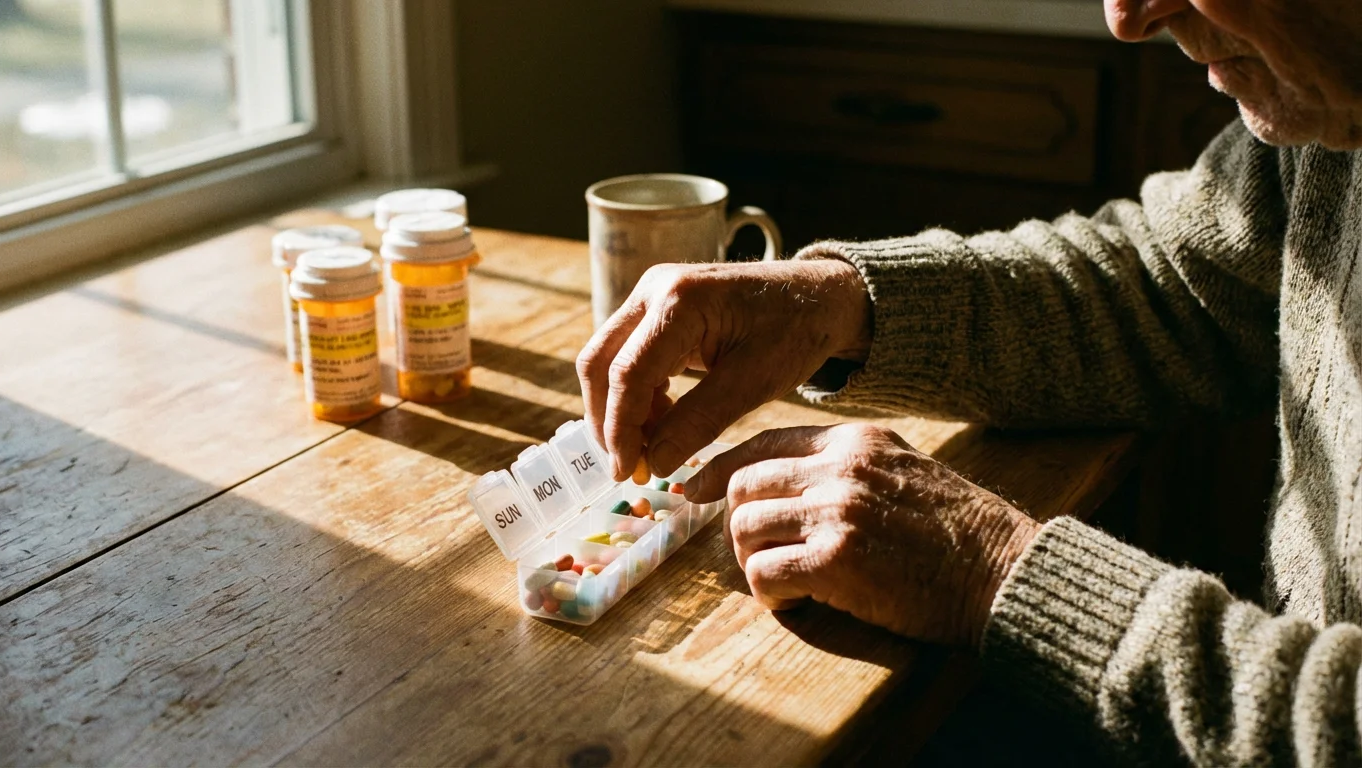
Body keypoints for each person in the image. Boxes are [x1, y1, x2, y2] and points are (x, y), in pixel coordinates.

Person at [577, 0, 1362, 764]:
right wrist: (839, 304)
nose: (1126, 17)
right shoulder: (1328, 104)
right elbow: (1177, 283)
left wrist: (996, 571)